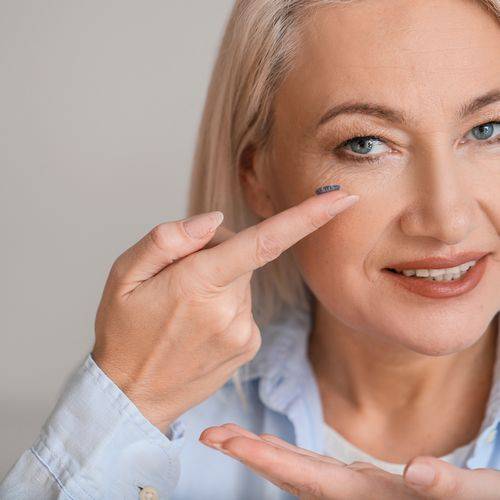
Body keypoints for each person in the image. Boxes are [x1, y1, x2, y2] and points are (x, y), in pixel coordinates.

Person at [2, 0, 500, 498]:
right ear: (257, 175)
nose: (447, 220)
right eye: (366, 144)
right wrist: (128, 398)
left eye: (488, 129)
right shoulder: (161, 418)